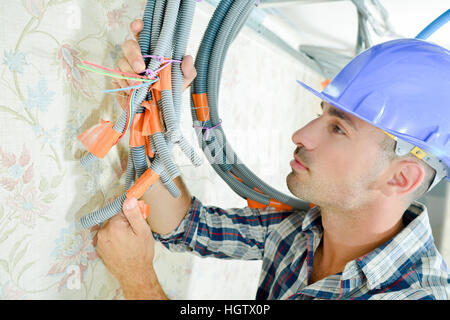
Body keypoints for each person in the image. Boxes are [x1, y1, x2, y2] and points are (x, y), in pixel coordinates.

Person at [93, 19, 450, 300]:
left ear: (402, 178)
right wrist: (154, 107)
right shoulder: (303, 229)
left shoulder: (412, 295)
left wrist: (137, 281)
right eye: (322, 114)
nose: (301, 134)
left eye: (339, 129)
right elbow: (187, 226)